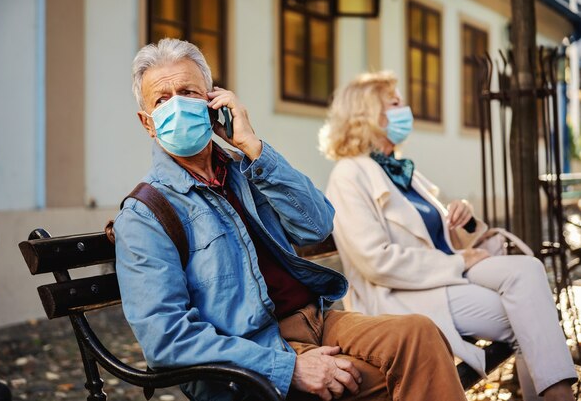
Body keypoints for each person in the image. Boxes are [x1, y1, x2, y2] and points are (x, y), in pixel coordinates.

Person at [113, 39, 468, 401]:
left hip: (317, 319)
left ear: (213, 102)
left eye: (188, 92)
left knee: (420, 334)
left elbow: (318, 224)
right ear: (148, 123)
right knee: (405, 372)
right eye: (162, 100)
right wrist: (289, 367)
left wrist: (253, 146)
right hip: (252, 354)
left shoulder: (246, 170)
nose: (177, 104)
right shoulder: (145, 214)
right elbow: (166, 338)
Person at [320, 70, 578, 401]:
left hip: (447, 273)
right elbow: (376, 262)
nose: (406, 109)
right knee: (528, 317)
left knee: (530, 270)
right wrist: (456, 262)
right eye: (395, 103)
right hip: (403, 293)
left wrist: (465, 220)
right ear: (367, 113)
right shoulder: (349, 174)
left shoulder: (401, 172)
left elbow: (444, 238)